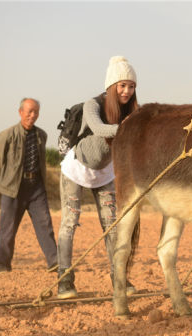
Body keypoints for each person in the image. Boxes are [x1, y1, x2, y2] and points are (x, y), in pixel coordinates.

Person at [57, 56, 139, 299]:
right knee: (69, 223)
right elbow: (99, 128)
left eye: (131, 86)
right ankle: (64, 280)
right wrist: (132, 127)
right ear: (111, 86)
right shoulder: (93, 105)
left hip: (104, 173)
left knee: (112, 225)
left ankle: (119, 278)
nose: (127, 91)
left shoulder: (131, 111)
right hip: (77, 169)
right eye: (122, 85)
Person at [0, 98, 58, 273]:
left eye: (36, 112)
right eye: (29, 111)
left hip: (36, 187)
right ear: (20, 112)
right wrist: (8, 182)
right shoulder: (6, 135)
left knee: (45, 224)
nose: (32, 115)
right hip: (13, 188)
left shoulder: (41, 135)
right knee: (8, 228)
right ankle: (2, 265)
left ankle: (54, 262)